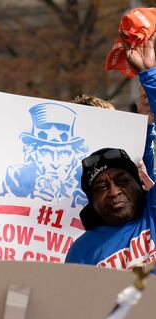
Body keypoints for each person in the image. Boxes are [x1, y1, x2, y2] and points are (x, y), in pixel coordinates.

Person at [65, 26, 156, 269]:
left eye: (121, 180)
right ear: (90, 201)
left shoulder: (153, 212)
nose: (114, 192)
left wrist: (150, 75)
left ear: (140, 182)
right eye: (101, 187)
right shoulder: (81, 253)